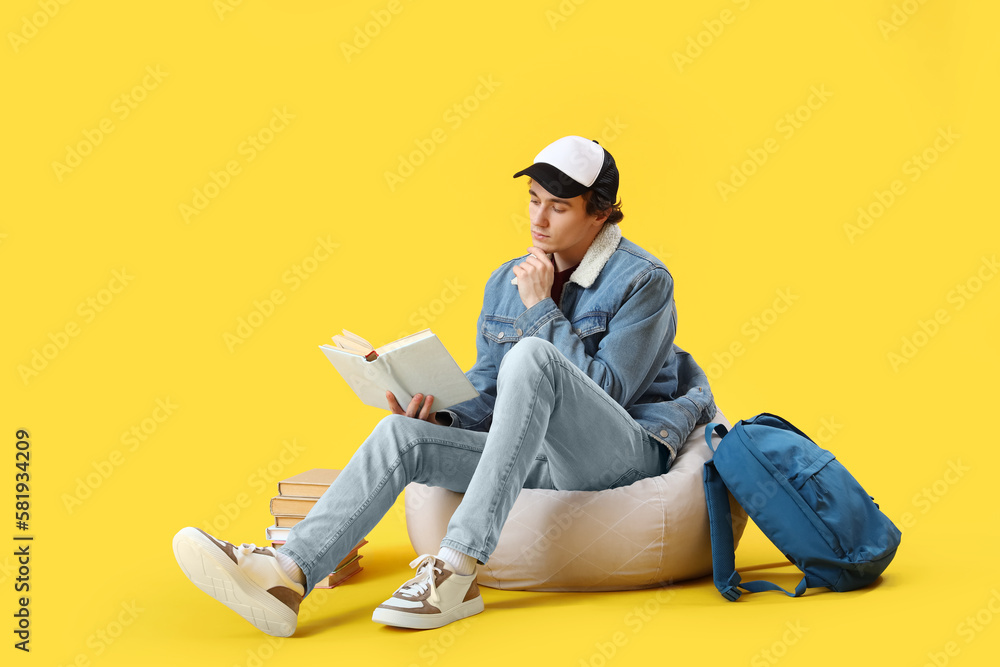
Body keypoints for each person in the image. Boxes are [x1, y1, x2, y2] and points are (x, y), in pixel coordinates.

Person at [172, 135, 716, 637]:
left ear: (600, 214)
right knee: (400, 435)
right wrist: (441, 416)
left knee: (531, 353)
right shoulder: (508, 280)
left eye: (559, 206)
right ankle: (286, 575)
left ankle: (456, 569)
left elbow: (610, 391)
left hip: (622, 455)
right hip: (535, 456)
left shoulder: (644, 280)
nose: (539, 218)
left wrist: (542, 311)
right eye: (533, 200)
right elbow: (489, 384)